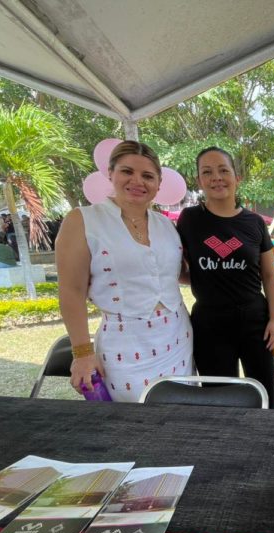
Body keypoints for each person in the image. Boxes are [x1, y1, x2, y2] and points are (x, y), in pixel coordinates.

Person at [56, 140, 194, 402]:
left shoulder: (166, 225)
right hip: (124, 345)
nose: (137, 181)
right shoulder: (82, 220)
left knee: (182, 416)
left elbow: (178, 274)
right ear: (111, 173)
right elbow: (71, 291)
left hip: (177, 338)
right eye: (127, 171)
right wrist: (83, 353)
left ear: (158, 184)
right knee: (131, 425)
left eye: (148, 176)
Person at [177, 147, 274, 408]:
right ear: (199, 181)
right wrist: (205, 281)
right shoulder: (189, 220)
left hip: (255, 319)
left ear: (237, 177)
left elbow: (269, 275)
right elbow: (177, 268)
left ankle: (272, 441)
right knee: (218, 395)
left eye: (224, 170)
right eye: (207, 172)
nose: (216, 178)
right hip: (209, 322)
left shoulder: (255, 222)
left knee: (265, 388)